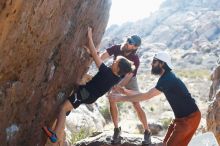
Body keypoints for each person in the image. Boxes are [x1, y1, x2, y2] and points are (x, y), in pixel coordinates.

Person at [42, 27, 135, 145]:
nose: (112, 62)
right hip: (90, 95)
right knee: (70, 103)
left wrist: (89, 37)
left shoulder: (106, 72)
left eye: (115, 62)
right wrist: (92, 54)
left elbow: (97, 57)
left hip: (85, 93)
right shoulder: (116, 78)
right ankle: (60, 138)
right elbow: (96, 57)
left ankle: (55, 135)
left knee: (62, 108)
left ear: (118, 68)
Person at [109, 51, 201, 146]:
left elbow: (147, 96)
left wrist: (120, 98)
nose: (151, 63)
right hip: (180, 119)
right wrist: (124, 91)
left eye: (154, 61)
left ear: (162, 63)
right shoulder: (165, 77)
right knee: (164, 143)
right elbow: (145, 94)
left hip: (189, 119)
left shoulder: (168, 79)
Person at [100, 35, 151, 144]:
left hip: (130, 79)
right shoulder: (117, 48)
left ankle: (147, 131)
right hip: (117, 75)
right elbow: (102, 57)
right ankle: (116, 129)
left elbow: (128, 77)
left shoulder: (135, 59)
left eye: (130, 42)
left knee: (136, 103)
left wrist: (118, 87)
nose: (127, 42)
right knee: (112, 99)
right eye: (127, 39)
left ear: (134, 47)